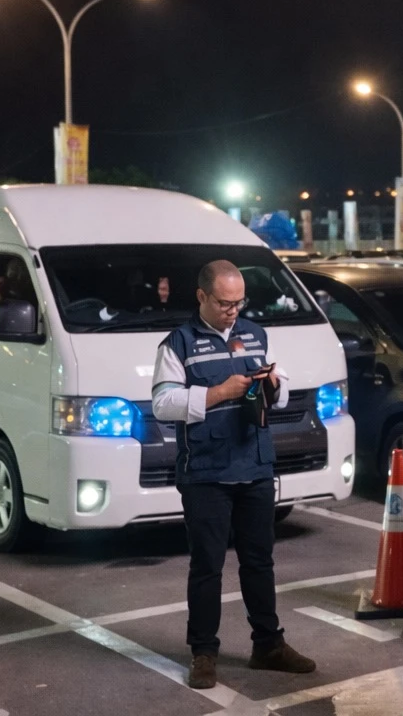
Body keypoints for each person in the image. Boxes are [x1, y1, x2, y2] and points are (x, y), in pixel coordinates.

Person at [150, 260, 316, 689]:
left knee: (259, 562)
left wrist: (274, 387)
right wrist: (220, 392)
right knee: (207, 566)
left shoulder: (255, 334)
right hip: (206, 473)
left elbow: (280, 390)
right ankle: (203, 652)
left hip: (255, 465)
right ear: (202, 296)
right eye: (224, 303)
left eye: (239, 302)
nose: (233, 311)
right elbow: (163, 404)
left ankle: (268, 645)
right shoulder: (178, 344)